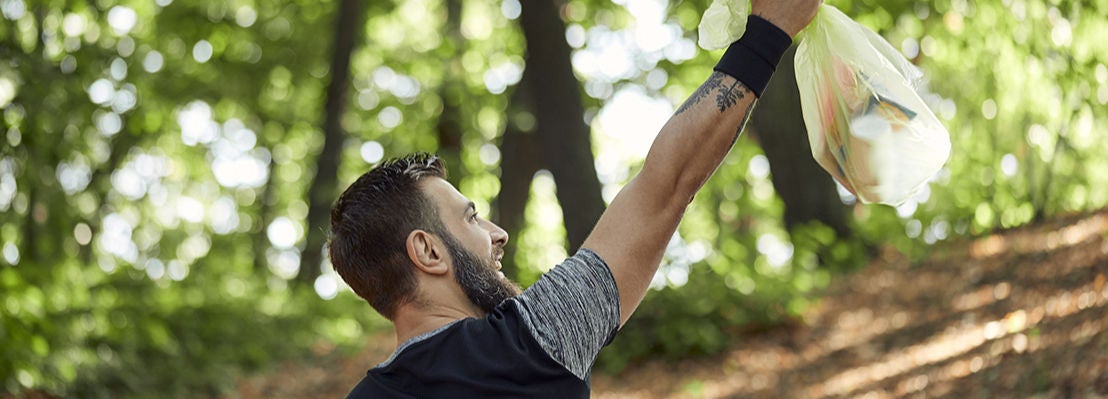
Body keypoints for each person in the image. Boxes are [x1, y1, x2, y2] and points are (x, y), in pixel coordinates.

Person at [328, 1, 820, 397]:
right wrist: (768, 30)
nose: (498, 234)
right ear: (428, 251)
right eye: (470, 218)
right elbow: (665, 186)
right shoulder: (527, 343)